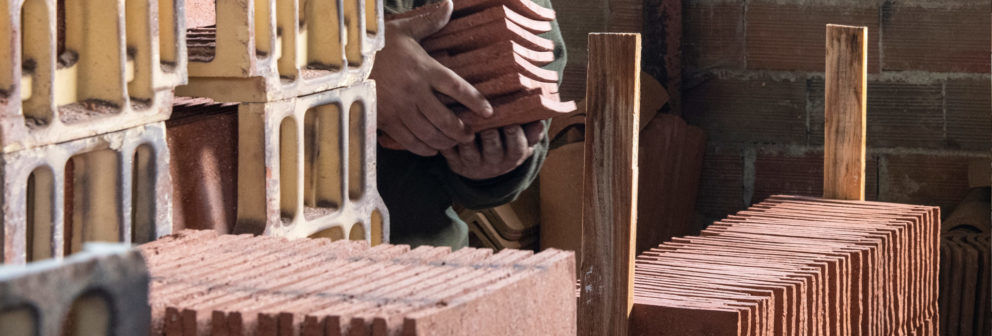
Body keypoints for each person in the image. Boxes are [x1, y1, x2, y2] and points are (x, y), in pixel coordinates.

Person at [372, 0, 566, 249]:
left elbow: (536, 61)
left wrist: (493, 170)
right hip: (308, 243)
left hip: (413, 252)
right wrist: (357, 61)